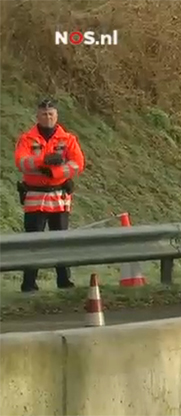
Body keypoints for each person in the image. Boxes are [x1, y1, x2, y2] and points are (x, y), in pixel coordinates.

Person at [14, 98, 86, 292]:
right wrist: (43, 161)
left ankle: (64, 281)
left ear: (57, 116)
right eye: (44, 114)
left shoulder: (68, 139)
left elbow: (77, 163)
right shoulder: (27, 139)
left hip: (59, 198)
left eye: (51, 114)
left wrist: (54, 173)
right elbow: (21, 162)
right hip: (35, 198)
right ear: (37, 116)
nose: (48, 117)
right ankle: (29, 283)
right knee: (33, 243)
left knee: (60, 241)